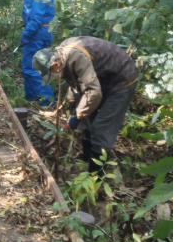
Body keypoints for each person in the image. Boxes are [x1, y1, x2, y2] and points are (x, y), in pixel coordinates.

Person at [32, 37, 138, 173]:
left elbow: (93, 93)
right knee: (86, 120)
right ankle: (86, 160)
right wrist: (72, 107)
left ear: (55, 65)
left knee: (101, 128)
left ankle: (96, 176)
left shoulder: (76, 56)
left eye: (51, 73)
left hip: (122, 80)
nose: (53, 76)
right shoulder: (61, 56)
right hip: (102, 79)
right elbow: (75, 84)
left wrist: (77, 115)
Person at [21, 0, 57, 106]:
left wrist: (26, 34)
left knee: (33, 68)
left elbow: (37, 16)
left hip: (37, 33)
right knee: (38, 67)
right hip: (44, 31)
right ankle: (32, 99)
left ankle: (45, 102)